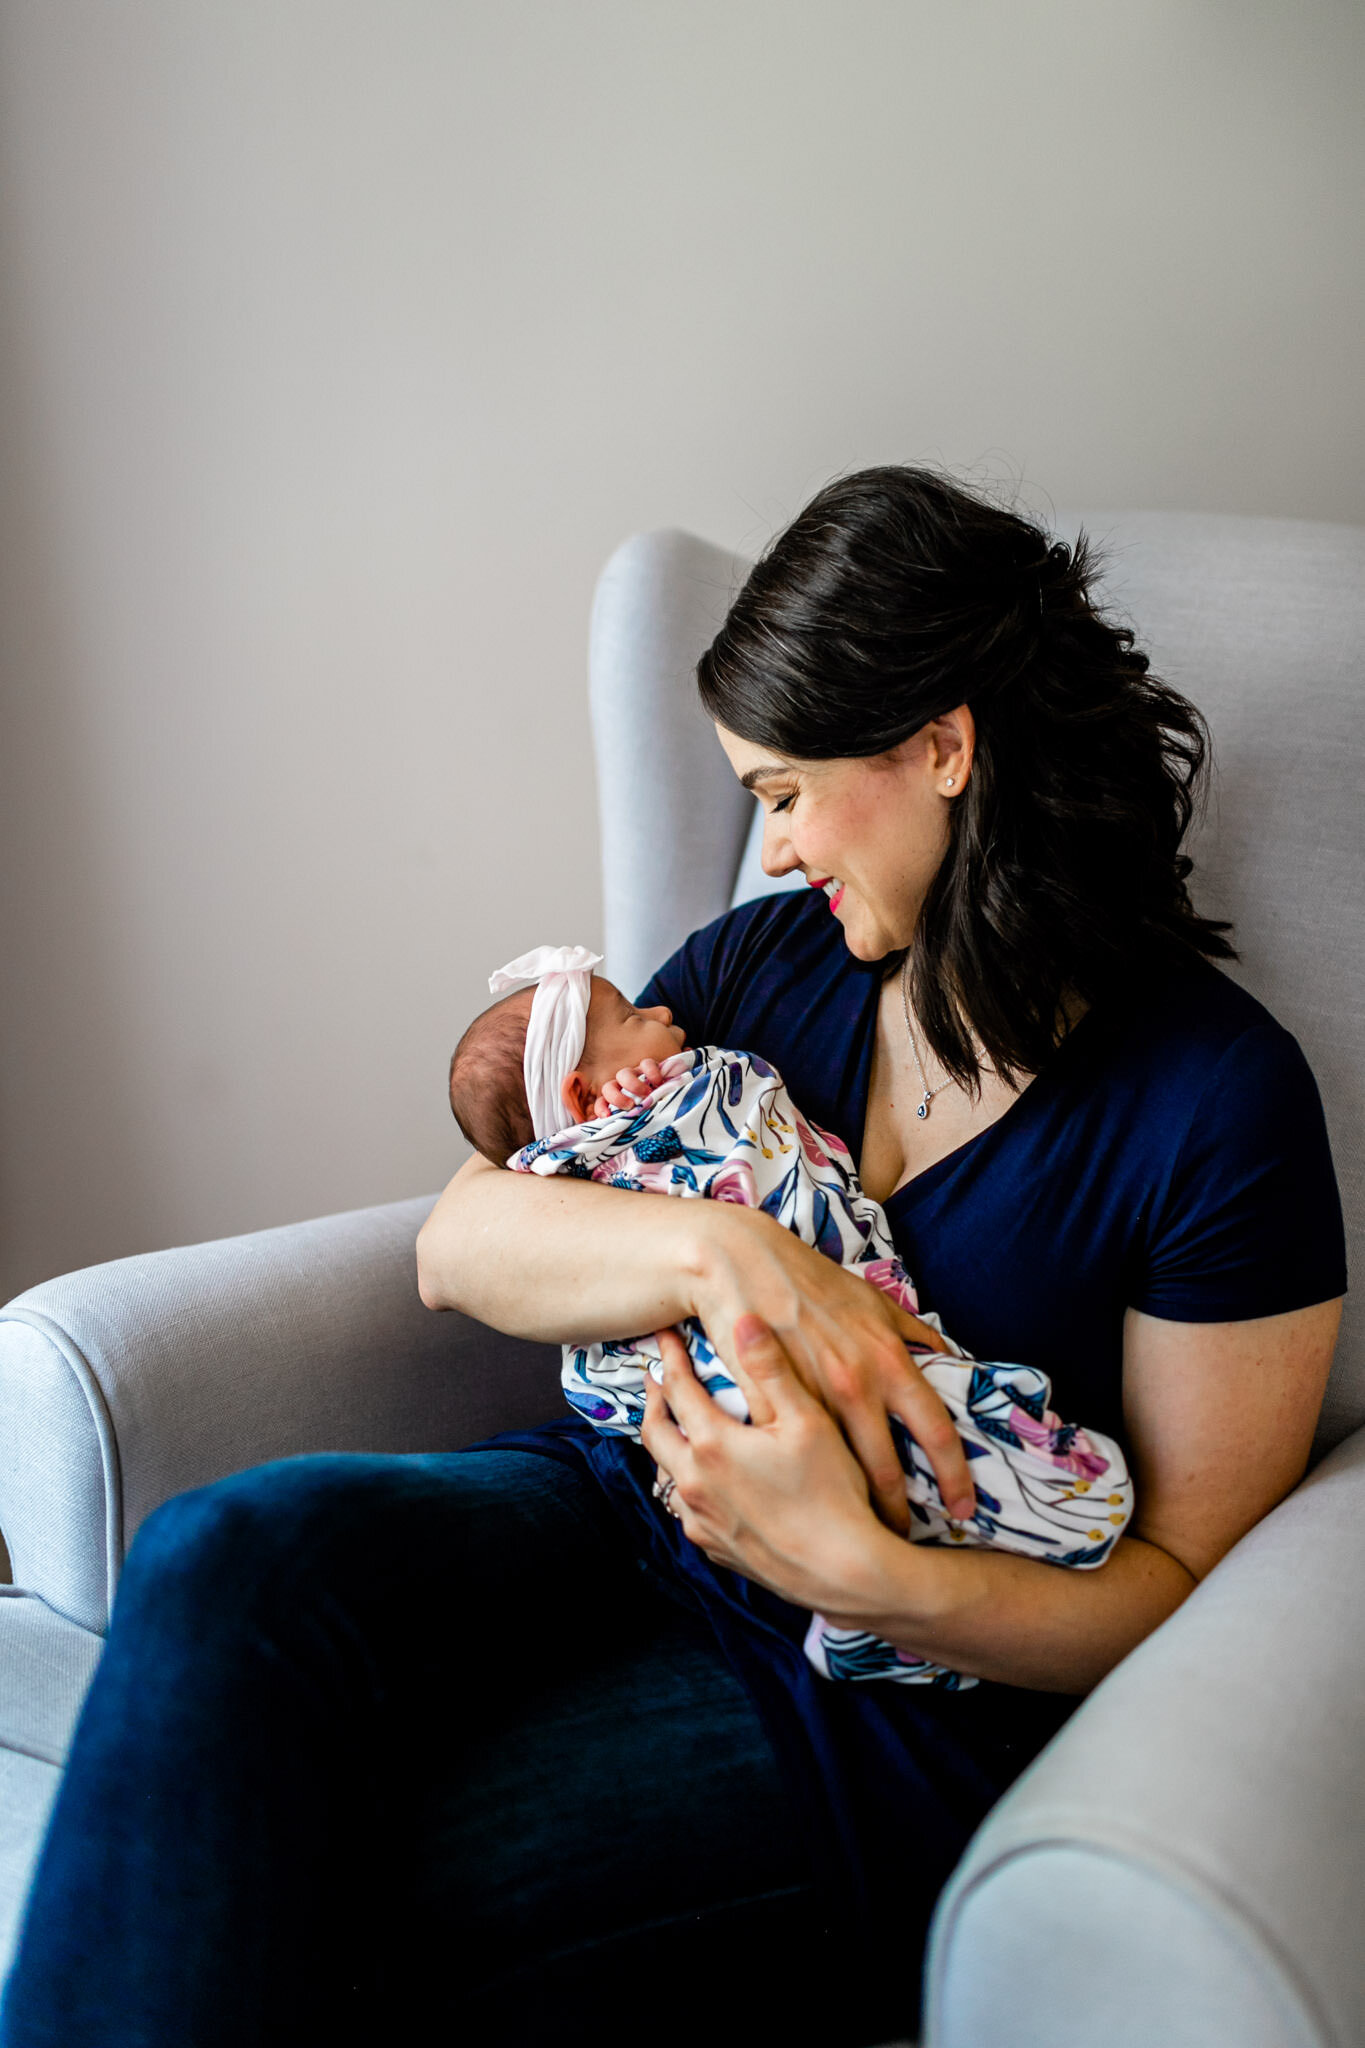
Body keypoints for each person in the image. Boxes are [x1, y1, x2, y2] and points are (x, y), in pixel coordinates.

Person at [0, 466, 1346, 2048]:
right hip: (613, 1508)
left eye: (780, 793)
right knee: (222, 1555)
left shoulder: (1215, 1102)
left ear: (942, 745)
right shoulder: (764, 967)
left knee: (354, 1885)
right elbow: (472, 1234)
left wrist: (869, 1576)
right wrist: (731, 1259)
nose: (767, 853)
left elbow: (1179, 1582)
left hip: (872, 1690)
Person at [448, 945, 1135, 1687]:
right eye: (632, 1017)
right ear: (585, 1102)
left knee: (893, 1430)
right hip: (633, 1470)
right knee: (309, 1531)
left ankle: (908, 1581)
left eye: (784, 814)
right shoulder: (743, 960)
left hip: (789, 1634)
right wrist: (724, 1247)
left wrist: (872, 1583)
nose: (661, 1013)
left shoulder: (1199, 1092)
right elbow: (454, 1242)